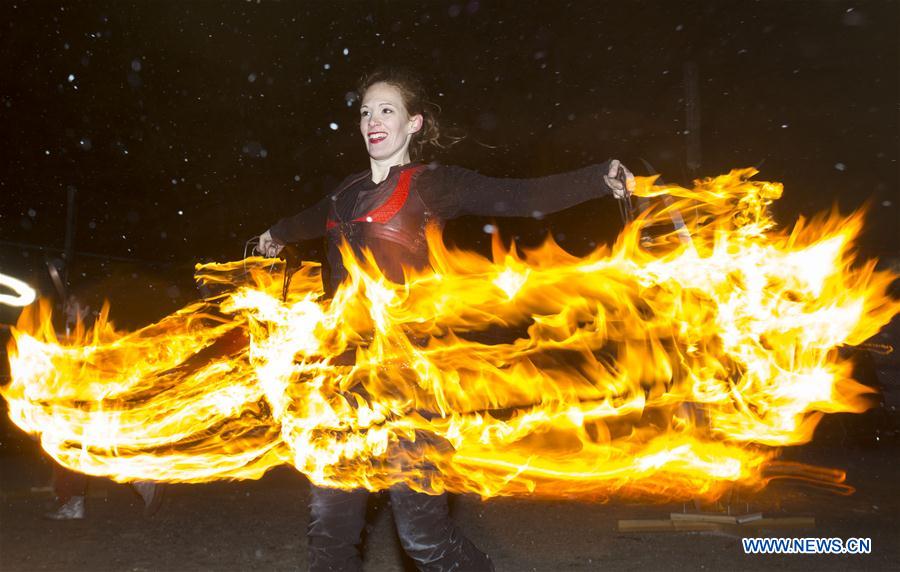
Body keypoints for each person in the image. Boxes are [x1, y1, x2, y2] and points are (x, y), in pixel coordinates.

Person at [257, 67, 635, 572]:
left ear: (413, 124)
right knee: (328, 540)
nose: (372, 120)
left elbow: (521, 196)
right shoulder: (341, 195)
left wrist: (595, 178)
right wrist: (274, 236)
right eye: (365, 111)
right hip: (343, 385)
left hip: (412, 385)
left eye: (386, 110)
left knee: (424, 541)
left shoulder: (431, 184)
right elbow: (301, 223)